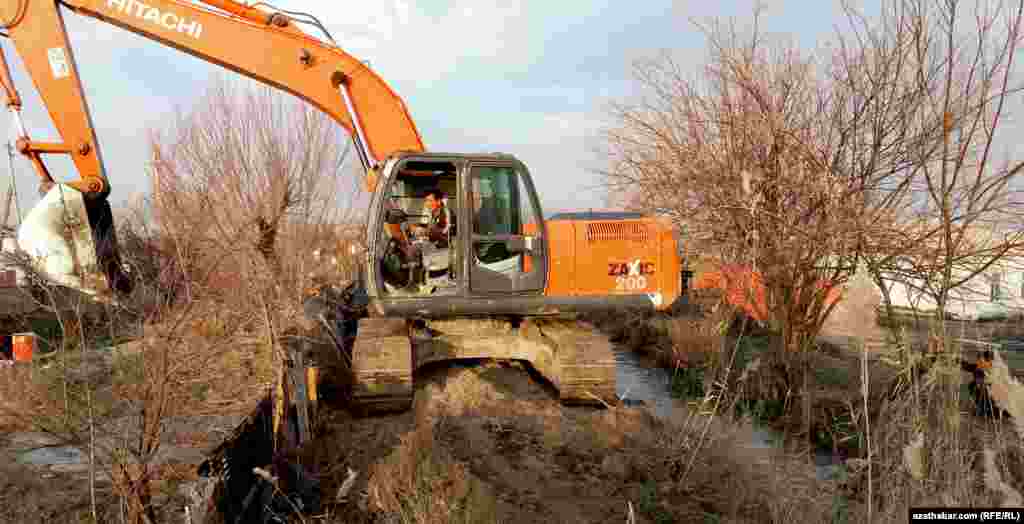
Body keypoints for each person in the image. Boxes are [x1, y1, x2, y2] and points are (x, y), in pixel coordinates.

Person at [962, 350, 996, 418]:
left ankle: (983, 409)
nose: (980, 359)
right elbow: (967, 367)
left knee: (973, 386)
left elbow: (968, 367)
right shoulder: (983, 365)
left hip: (987, 391)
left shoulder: (987, 366)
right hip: (986, 391)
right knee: (973, 386)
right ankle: (982, 408)